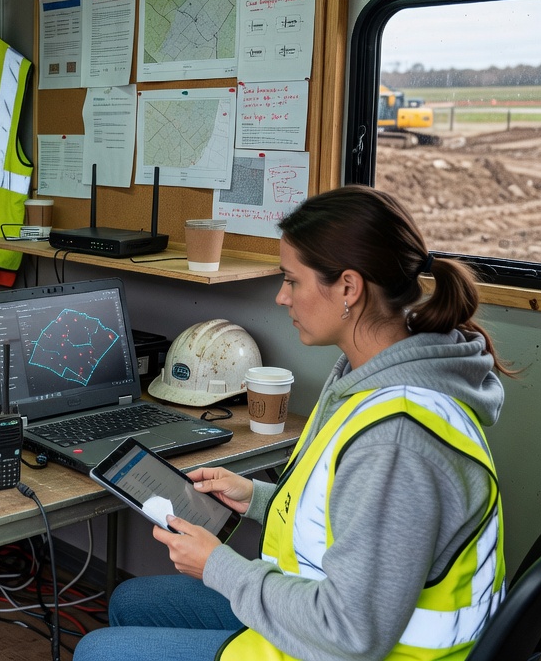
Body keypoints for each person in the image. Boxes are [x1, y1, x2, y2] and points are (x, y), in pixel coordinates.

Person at [74, 184, 512, 661]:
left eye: (291, 280)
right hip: (324, 612)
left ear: (348, 287)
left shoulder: (397, 437)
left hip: (353, 647)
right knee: (131, 600)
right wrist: (257, 497)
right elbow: (350, 513)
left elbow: (350, 634)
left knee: (100, 652)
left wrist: (219, 566)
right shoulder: (370, 374)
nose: (281, 298)